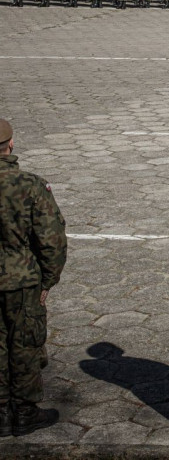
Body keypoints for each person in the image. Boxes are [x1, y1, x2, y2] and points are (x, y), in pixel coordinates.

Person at [0, 118, 67, 437]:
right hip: (22, 280)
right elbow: (51, 240)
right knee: (24, 344)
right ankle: (24, 412)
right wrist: (48, 281)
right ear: (10, 144)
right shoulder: (30, 185)